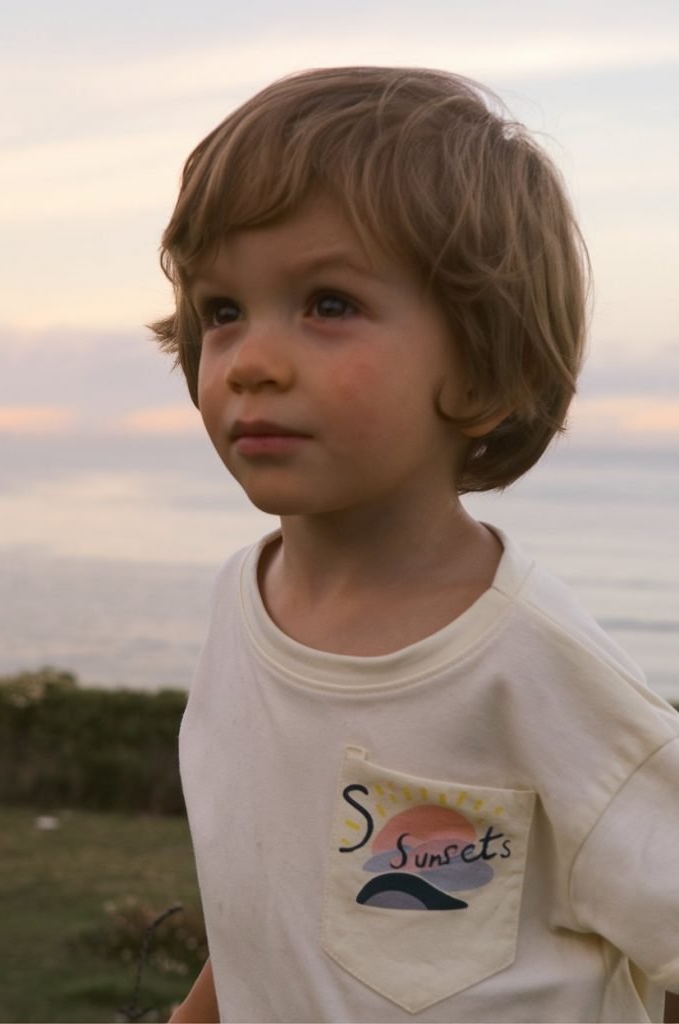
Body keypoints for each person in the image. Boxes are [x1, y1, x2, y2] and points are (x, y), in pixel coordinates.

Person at [152, 67, 679, 1023]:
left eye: (329, 304)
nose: (250, 362)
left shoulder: (529, 664)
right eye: (223, 310)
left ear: (486, 370)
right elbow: (272, 916)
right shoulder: (241, 604)